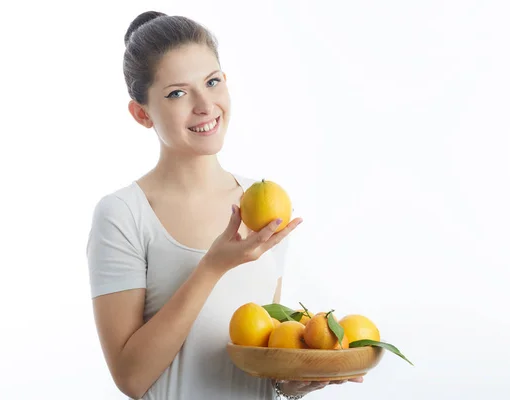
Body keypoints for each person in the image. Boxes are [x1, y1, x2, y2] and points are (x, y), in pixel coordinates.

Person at [86, 11, 362, 400]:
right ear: (141, 113)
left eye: (212, 82)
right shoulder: (123, 214)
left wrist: (293, 382)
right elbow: (131, 378)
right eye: (177, 93)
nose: (204, 105)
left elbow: (263, 354)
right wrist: (212, 267)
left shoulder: (264, 203)